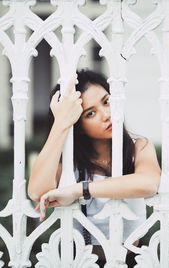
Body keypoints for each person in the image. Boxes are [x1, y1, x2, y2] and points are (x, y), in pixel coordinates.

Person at [28, 69, 161, 267]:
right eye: (91, 113)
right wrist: (62, 123)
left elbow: (148, 183)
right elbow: (37, 192)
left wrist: (79, 190)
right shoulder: (68, 163)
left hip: (133, 260)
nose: (106, 115)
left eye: (106, 102)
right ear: (78, 124)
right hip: (82, 260)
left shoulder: (138, 146)